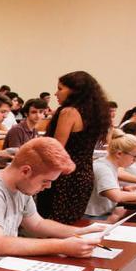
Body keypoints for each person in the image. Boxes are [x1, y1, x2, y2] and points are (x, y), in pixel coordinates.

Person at [0, 138, 103, 271]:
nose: (48, 186)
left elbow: (37, 224)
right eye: (45, 181)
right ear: (26, 171)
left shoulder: (22, 186)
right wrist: (62, 246)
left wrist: (80, 232)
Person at [36, 71, 112, 224]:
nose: (56, 93)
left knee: (52, 225)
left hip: (64, 177)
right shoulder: (95, 113)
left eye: (60, 88)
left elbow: (56, 149)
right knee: (70, 224)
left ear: (75, 90)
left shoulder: (69, 112)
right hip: (84, 174)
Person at [85, 134, 136, 221]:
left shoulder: (109, 165)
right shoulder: (103, 168)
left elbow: (106, 191)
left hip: (104, 212)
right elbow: (116, 197)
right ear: (119, 154)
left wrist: (124, 189)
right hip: (94, 217)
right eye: (134, 156)